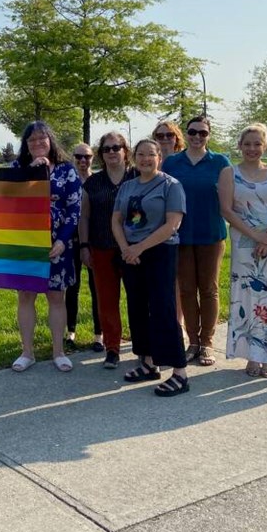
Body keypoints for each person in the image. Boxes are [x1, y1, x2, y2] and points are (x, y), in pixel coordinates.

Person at [112, 139, 189, 396]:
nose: (146, 159)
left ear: (159, 158)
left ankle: (179, 372)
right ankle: (147, 363)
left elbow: (172, 225)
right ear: (134, 158)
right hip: (131, 254)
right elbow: (116, 220)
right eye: (141, 154)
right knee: (136, 308)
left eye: (151, 155)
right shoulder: (127, 186)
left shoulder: (171, 185)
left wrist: (139, 248)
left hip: (159, 252)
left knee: (163, 310)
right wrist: (126, 248)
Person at [219, 124, 267, 378]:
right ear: (240, 145)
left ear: (265, 146)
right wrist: (255, 235)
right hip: (244, 242)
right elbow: (227, 210)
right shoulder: (229, 173)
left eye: (257, 144)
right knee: (247, 297)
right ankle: (251, 355)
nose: (252, 148)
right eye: (247, 144)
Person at [10, 121, 80, 373]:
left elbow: (74, 209)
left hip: (58, 245)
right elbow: (8, 200)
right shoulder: (17, 168)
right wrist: (31, 172)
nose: (38, 144)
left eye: (42, 139)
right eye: (32, 140)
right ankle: (27, 352)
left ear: (51, 141)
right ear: (25, 145)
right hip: (26, 244)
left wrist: (62, 240)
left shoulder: (66, 170)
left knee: (56, 297)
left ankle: (58, 352)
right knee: (26, 296)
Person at [162, 115, 231, 367]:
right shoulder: (172, 163)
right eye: (193, 132)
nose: (197, 137)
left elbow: (230, 196)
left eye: (203, 133)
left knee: (209, 289)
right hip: (180, 235)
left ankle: (207, 342)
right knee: (187, 289)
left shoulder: (220, 162)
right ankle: (192, 341)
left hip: (211, 234)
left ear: (209, 135)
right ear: (186, 134)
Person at [80, 132, 137, 369]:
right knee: (107, 300)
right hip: (102, 247)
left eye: (116, 147)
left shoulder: (138, 177)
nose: (112, 152)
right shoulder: (93, 183)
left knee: (138, 299)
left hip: (134, 250)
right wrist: (84, 246)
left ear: (126, 150)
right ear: (101, 154)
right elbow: (84, 217)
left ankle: (143, 347)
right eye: (106, 149)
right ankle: (112, 348)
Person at [64, 142, 100, 351]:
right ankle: (70, 332)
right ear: (73, 158)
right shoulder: (68, 181)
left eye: (87, 157)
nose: (82, 161)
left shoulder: (97, 181)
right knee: (72, 288)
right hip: (70, 241)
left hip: (94, 242)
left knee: (97, 289)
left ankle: (99, 335)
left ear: (93, 158)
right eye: (78, 156)